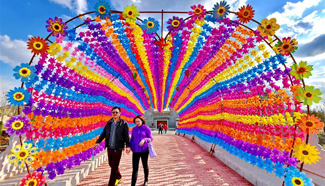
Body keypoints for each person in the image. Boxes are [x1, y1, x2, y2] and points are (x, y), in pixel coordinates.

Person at [94, 107, 131, 186]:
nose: (115, 114)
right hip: (110, 147)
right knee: (111, 163)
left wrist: (128, 146)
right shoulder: (109, 123)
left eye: (116, 112)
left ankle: (111, 183)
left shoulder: (123, 123)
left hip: (118, 147)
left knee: (114, 166)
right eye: (113, 112)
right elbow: (104, 133)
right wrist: (98, 142)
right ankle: (119, 176)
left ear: (119, 113)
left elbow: (126, 136)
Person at [130, 115, 153, 186]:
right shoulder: (134, 129)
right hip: (135, 151)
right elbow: (132, 139)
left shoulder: (146, 128)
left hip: (144, 150)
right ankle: (132, 184)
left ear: (142, 121)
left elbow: (151, 138)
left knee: (145, 166)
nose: (137, 123)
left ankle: (146, 180)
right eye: (136, 121)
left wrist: (144, 140)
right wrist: (130, 146)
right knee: (135, 168)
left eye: (138, 121)